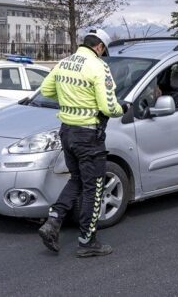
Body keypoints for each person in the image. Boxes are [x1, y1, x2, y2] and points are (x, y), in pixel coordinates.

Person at [37, 28, 128, 257]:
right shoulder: (98, 66)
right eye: (103, 51)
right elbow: (108, 107)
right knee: (94, 187)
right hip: (89, 135)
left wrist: (70, 103)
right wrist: (123, 108)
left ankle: (53, 221)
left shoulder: (64, 62)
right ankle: (87, 241)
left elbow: (47, 89)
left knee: (76, 180)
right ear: (99, 47)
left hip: (67, 131)